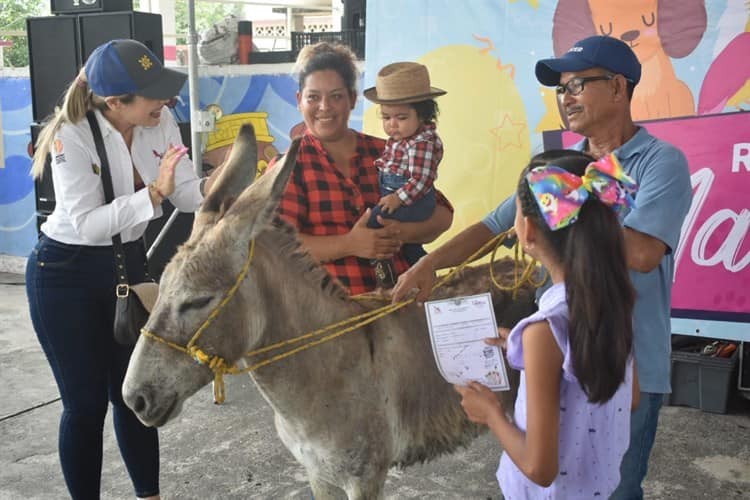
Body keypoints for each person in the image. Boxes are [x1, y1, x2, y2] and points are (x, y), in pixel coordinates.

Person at [393, 35, 692, 499]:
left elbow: (644, 253)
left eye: (576, 85)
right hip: (564, 352)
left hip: (626, 359)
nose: (565, 98)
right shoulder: (564, 168)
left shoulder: (659, 163)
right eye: (560, 89)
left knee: (615, 484)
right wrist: (430, 264)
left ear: (617, 87)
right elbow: (493, 225)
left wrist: (569, 203)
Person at [26, 39, 221, 500]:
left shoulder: (161, 121)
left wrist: (227, 178)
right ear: (116, 102)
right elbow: (89, 225)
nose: (166, 101)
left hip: (126, 267)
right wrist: (153, 194)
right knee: (85, 406)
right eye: (153, 93)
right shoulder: (70, 134)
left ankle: (149, 496)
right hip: (64, 273)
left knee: (132, 399)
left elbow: (189, 195)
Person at [456, 150, 639, 498]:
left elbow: (540, 469)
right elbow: (629, 398)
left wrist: (492, 414)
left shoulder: (544, 330)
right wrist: (530, 348)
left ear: (528, 232)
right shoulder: (615, 302)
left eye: (517, 215)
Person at [273, 42, 453, 295]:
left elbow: (443, 214)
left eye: (336, 96)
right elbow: (276, 247)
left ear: (353, 100)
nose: (324, 107)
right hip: (326, 314)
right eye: (313, 97)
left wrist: (400, 233)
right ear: (299, 100)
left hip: (400, 304)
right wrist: (349, 244)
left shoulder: (388, 151)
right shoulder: (288, 166)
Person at [362, 61, 446, 287]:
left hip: (414, 200)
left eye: (401, 118)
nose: (392, 125)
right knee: (411, 247)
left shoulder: (422, 143)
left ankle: (381, 264)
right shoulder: (402, 140)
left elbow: (422, 180)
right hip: (401, 196)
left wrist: (398, 198)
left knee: (373, 221)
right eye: (386, 117)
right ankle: (423, 272)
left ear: (423, 115)